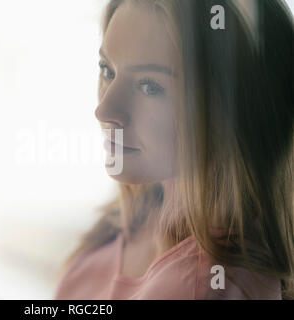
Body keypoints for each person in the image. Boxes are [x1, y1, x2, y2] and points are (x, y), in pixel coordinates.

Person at [54, 0, 294, 299]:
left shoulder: (209, 286)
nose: (104, 110)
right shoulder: (133, 215)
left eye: (150, 86)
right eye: (108, 70)